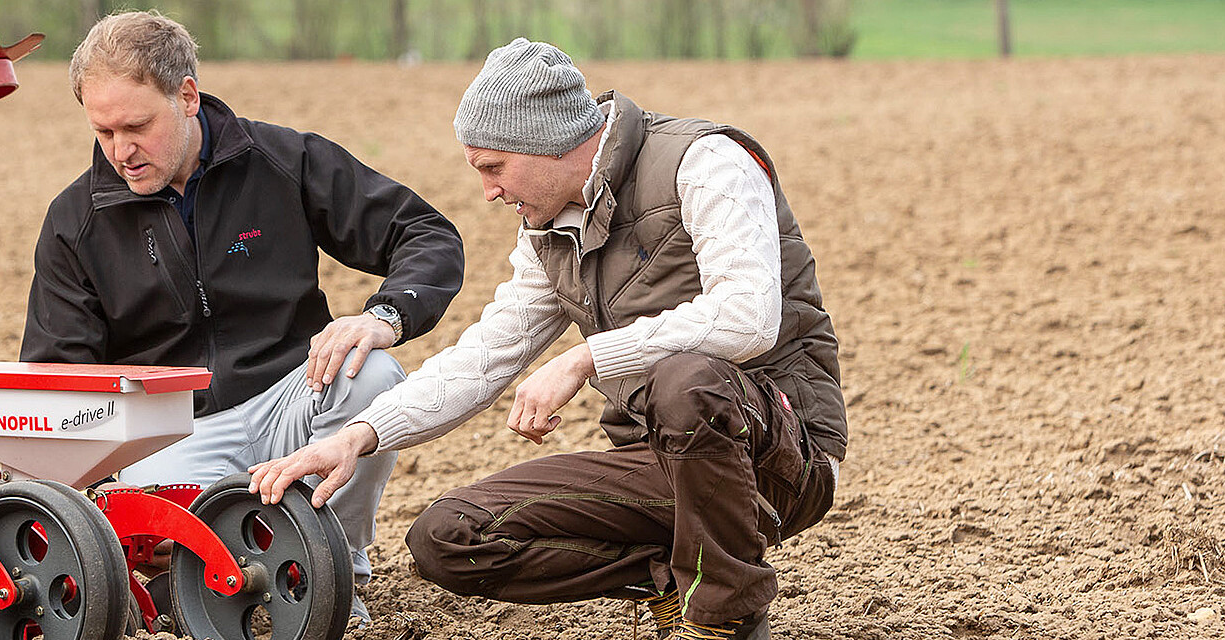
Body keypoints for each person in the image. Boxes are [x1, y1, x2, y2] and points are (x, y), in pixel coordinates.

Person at [247, 38, 845, 640]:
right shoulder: (549, 229)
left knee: (687, 377)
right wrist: (360, 436)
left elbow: (747, 316)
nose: (488, 192)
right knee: (449, 537)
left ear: (547, 142)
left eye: (493, 167)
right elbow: (483, 358)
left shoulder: (705, 161)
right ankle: (673, 575)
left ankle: (725, 615)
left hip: (782, 457)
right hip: (663, 463)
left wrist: (587, 356)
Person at [20, 11, 464, 624]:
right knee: (173, 563)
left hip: (292, 395)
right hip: (172, 429)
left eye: (137, 126)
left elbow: (423, 233)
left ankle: (331, 574)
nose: (122, 151)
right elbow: (57, 373)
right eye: (104, 132)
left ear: (186, 95)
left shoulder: (283, 160)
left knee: (374, 377)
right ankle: (212, 578)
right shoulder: (76, 221)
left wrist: (384, 316)